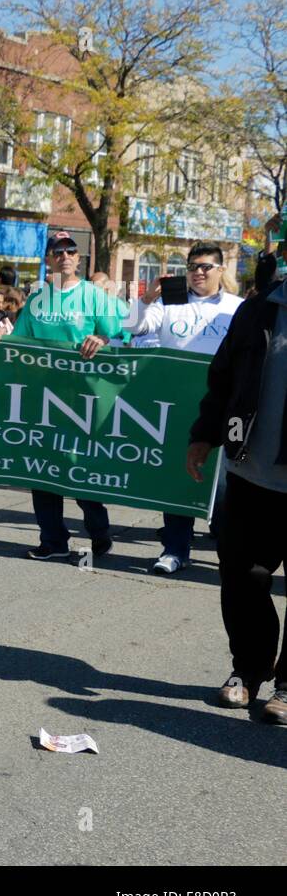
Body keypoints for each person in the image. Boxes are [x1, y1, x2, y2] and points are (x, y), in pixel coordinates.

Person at [187, 266, 287, 724]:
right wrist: (204, 435)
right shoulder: (255, 310)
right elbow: (222, 378)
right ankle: (247, 671)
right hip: (248, 473)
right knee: (243, 578)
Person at [0, 231, 127, 560]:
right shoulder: (38, 298)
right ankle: (53, 540)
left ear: (79, 258)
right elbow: (21, 341)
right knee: (42, 469)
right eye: (57, 251)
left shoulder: (94, 296)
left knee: (79, 467)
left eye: (70, 251)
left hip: (83, 397)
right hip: (42, 397)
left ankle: (99, 531)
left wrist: (102, 340)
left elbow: (122, 334)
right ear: (49, 259)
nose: (64, 256)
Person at [123, 241, 243, 574]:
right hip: (177, 403)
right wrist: (148, 297)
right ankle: (175, 548)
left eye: (206, 266)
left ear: (220, 270)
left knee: (224, 486)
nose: (199, 272)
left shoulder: (236, 307)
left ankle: (229, 552)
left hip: (223, 405)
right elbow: (132, 327)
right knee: (178, 478)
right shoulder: (169, 303)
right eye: (192, 267)